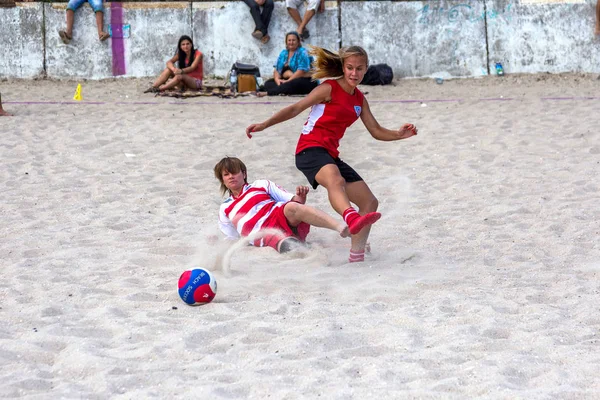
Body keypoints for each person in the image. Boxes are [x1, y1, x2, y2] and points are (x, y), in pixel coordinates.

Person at [245, 46, 418, 263]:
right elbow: (295, 108)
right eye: (350, 68)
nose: (354, 73)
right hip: (309, 150)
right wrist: (264, 124)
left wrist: (399, 135)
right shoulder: (329, 88)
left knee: (370, 203)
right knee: (335, 179)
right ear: (343, 68)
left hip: (329, 155)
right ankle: (349, 217)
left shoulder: (359, 100)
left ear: (366, 70)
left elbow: (375, 131)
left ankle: (356, 256)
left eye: (359, 69)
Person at [214, 157, 349, 253]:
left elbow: (293, 201)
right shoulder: (225, 208)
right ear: (223, 180)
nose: (231, 176)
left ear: (243, 174)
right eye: (226, 174)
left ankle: (341, 227)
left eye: (234, 172)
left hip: (278, 215)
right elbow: (232, 239)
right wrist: (215, 242)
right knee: (288, 244)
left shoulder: (261, 185)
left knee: (291, 207)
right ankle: (320, 252)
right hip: (262, 234)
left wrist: (300, 197)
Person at [257, 31, 318, 97]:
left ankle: (268, 93)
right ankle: (282, 89)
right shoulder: (283, 53)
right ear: (286, 42)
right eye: (289, 40)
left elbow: (301, 71)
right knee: (268, 83)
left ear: (298, 42)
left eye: (293, 40)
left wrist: (288, 80)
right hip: (288, 80)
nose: (291, 42)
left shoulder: (303, 52)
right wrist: (277, 80)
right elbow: (277, 70)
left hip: (305, 80)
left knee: (293, 83)